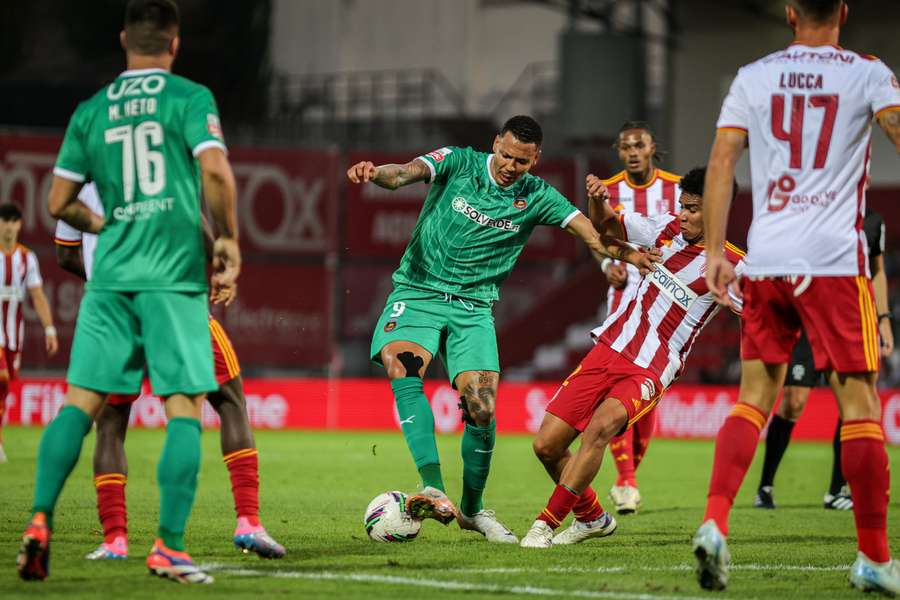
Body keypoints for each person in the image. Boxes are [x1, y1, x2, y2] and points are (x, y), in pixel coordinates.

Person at [346, 115, 657, 543]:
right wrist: (375, 173)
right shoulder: (458, 162)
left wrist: (628, 253)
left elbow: (590, 234)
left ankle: (471, 511)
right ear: (496, 144)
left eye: (522, 161)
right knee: (402, 362)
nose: (511, 166)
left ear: (536, 159)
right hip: (418, 291)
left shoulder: (537, 195)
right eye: (506, 155)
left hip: (474, 309)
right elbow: (403, 174)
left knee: (482, 408)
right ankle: (433, 485)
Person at [17, 0, 240, 584]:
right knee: (184, 407)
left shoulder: (91, 112)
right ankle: (168, 546)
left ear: (123, 40)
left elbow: (57, 205)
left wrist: (105, 225)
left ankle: (39, 520)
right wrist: (230, 242)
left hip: (110, 280)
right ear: (174, 43)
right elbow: (215, 171)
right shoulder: (190, 98)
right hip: (172, 279)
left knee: (80, 405)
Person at [695, 0, 900, 593]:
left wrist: (715, 251)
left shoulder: (753, 76)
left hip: (764, 259)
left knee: (753, 398)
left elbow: (721, 163)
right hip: (832, 263)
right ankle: (875, 559)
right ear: (843, 9)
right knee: (860, 405)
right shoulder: (868, 72)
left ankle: (714, 522)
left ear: (789, 13)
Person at [54, 182, 284, 561]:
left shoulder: (80, 178)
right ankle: (248, 523)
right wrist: (221, 266)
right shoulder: (162, 157)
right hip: (174, 302)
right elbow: (195, 222)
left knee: (111, 422)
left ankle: (114, 540)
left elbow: (65, 255)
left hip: (113, 311)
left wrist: (103, 281)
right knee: (228, 399)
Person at [520, 167, 744, 548]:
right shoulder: (665, 228)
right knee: (547, 446)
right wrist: (597, 200)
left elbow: (766, 314)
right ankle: (591, 518)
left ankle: (545, 523)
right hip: (610, 346)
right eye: (682, 206)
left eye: (692, 209)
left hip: (652, 366)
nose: (683, 215)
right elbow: (607, 228)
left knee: (599, 430)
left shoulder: (735, 266)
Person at [754, 210, 893, 511]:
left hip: (849, 319)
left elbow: (877, 271)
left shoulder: (873, 222)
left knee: (851, 401)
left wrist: (883, 319)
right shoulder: (818, 209)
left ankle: (836, 489)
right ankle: (765, 485)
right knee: (793, 401)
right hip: (808, 318)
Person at [599, 121, 682, 515]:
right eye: (626, 146)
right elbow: (597, 235)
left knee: (650, 393)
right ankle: (627, 479)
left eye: (639, 145)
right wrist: (604, 263)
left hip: (666, 300)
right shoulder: (608, 190)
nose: (633, 151)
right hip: (623, 299)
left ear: (652, 148)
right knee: (620, 385)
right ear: (619, 151)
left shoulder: (678, 189)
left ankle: (625, 477)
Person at [0, 204, 59, 464]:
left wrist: (49, 328)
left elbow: (37, 295)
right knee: (0, 378)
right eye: (5, 221)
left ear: (20, 225)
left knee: (4, 388)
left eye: (14, 221)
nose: (9, 226)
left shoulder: (27, 258)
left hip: (14, 334)